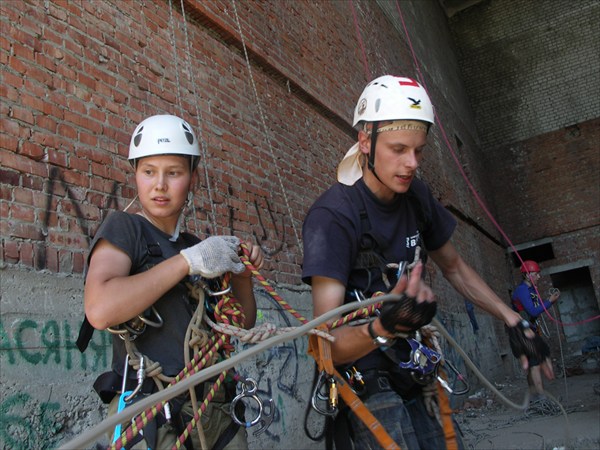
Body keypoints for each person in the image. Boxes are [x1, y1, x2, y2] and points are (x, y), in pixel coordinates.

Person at [302, 75, 553, 449]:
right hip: (366, 373)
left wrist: (512, 319)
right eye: (399, 149)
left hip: (414, 364)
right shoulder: (334, 216)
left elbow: (454, 267)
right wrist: (383, 327)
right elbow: (325, 346)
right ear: (365, 141)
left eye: (419, 151)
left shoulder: (416, 196)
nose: (411, 164)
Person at [82, 114, 264, 449]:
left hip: (213, 409)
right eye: (148, 171)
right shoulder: (125, 229)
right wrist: (187, 263)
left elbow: (242, 324)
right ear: (135, 174)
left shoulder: (195, 245)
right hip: (151, 412)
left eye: (174, 173)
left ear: (193, 178)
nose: (160, 185)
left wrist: (242, 277)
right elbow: (99, 308)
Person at [512, 260, 560, 400]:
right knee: (534, 362)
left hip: (530, 328)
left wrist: (548, 301)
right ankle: (541, 397)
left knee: (537, 358)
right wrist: (550, 301)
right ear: (527, 275)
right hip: (521, 330)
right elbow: (533, 311)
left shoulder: (532, 290)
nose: (539, 277)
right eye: (535, 274)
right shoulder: (522, 290)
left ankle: (536, 394)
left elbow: (536, 310)